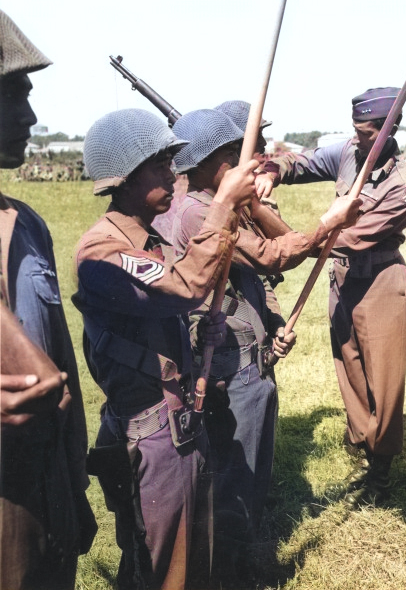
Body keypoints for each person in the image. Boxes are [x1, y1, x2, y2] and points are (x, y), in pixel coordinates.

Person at [171, 108, 361, 583]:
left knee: (242, 471)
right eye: (238, 156)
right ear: (215, 161)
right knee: (239, 476)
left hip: (243, 352)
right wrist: (329, 221)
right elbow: (274, 254)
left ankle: (233, 560)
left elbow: (256, 274)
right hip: (232, 366)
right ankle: (235, 572)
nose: (250, 163)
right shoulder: (200, 209)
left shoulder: (210, 201)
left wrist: (273, 320)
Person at [72, 107, 259, 590]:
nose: (173, 174)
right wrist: (221, 208)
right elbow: (182, 287)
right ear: (126, 178)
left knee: (191, 560)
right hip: (150, 434)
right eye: (160, 165)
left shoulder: (150, 242)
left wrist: (197, 340)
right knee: (162, 571)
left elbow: (158, 316)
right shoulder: (103, 252)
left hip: (178, 425)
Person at [256, 87, 406, 508]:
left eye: (367, 133)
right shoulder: (349, 151)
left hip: (380, 283)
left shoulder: (403, 186)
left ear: (389, 129)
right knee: (350, 369)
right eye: (356, 131)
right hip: (343, 282)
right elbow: (303, 162)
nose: (359, 139)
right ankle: (365, 451)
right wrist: (272, 170)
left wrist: (284, 233)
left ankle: (380, 479)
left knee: (383, 382)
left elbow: (345, 239)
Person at [0, 9, 96, 590]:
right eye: (12, 95)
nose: (31, 115)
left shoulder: (26, 223)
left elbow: (61, 371)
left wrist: (73, 489)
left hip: (42, 495)